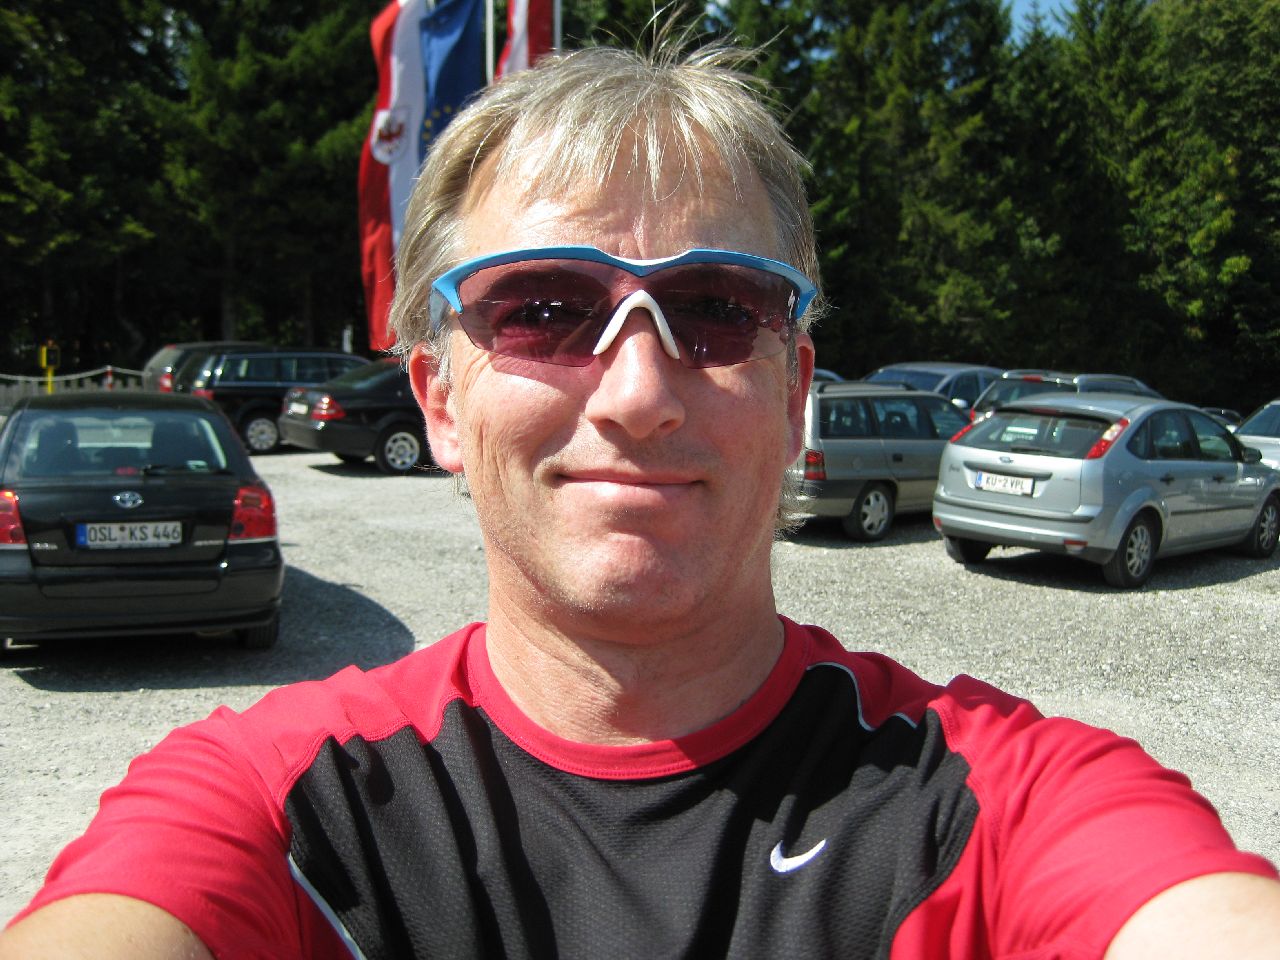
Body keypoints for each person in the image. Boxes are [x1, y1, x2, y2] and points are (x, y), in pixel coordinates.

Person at [4, 36, 1279, 960]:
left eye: (717, 308)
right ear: (439, 400)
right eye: (543, 308)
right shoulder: (275, 802)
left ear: (794, 395)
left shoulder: (993, 802)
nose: (638, 393)